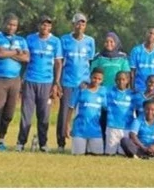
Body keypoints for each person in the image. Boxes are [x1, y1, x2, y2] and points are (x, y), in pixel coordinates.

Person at [17, 15, 62, 152]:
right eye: (43, 24)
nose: (45, 27)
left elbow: (58, 63)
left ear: (51, 27)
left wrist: (56, 82)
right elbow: (24, 58)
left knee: (44, 115)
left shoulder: (55, 41)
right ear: (39, 25)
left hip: (47, 82)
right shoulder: (30, 38)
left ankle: (43, 144)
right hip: (30, 80)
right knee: (26, 114)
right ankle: (21, 142)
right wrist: (21, 79)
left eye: (48, 25)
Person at [0, 14, 29, 152]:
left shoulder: (21, 40)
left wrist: (8, 52)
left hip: (15, 80)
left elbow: (26, 58)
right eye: (9, 24)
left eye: (14, 25)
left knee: (9, 112)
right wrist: (16, 52)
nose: (11, 27)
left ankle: (1, 140)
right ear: (4, 23)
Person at [57, 12, 95, 152]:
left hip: (84, 83)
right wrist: (58, 82)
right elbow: (60, 61)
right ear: (73, 24)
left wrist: (90, 82)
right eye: (78, 22)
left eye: (83, 23)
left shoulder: (90, 41)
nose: (80, 25)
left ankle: (81, 143)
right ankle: (61, 143)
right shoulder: (64, 39)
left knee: (83, 112)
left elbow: (90, 62)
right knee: (64, 113)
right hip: (68, 82)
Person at [65, 68, 107, 156]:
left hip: (95, 131)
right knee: (78, 155)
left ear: (102, 80)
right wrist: (67, 126)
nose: (96, 80)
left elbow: (107, 109)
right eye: (94, 78)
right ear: (90, 76)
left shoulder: (103, 91)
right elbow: (71, 108)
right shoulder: (81, 89)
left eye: (99, 79)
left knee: (97, 156)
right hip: (80, 130)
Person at [105, 71, 135, 155]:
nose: (121, 82)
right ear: (115, 80)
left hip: (126, 127)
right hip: (112, 126)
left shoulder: (132, 94)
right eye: (118, 79)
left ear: (127, 80)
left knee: (123, 154)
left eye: (123, 79)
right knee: (110, 154)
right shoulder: (109, 91)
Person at [129, 27, 154, 92]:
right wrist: (132, 88)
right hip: (139, 87)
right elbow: (132, 72)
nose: (151, 35)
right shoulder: (136, 50)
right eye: (150, 33)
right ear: (146, 34)